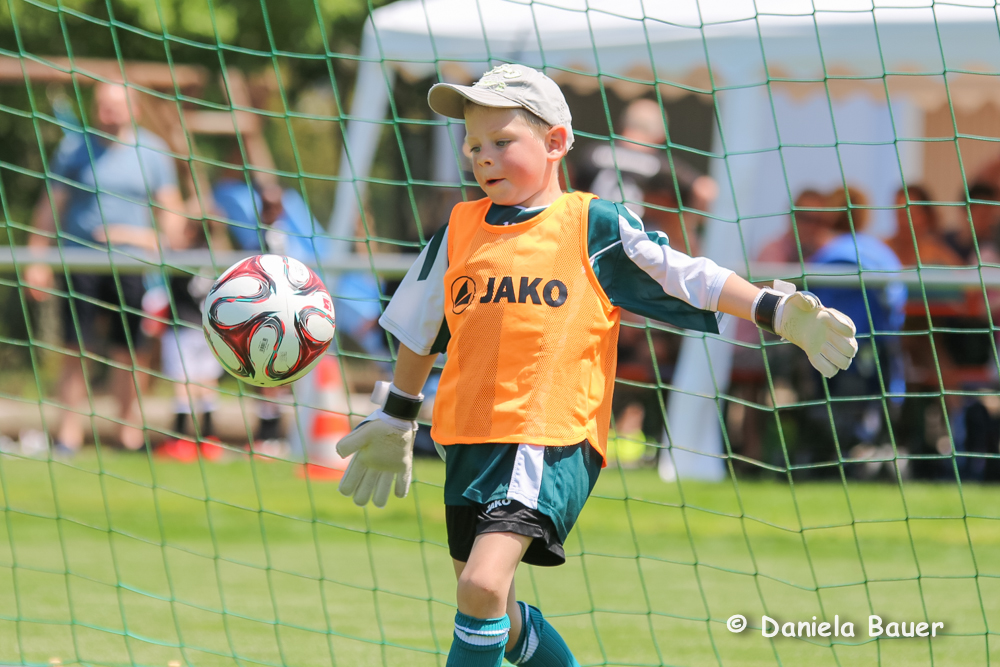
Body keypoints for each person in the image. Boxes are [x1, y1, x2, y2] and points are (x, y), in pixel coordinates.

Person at [333, 64, 858, 666]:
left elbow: (688, 276)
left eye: (502, 141)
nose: (484, 157)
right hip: (467, 437)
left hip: (546, 436)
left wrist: (775, 310)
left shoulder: (592, 225)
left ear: (556, 142)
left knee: (480, 586)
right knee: (493, 610)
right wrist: (398, 416)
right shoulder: (458, 229)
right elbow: (419, 329)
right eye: (474, 145)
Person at [25, 81, 186, 454]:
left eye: (116, 105)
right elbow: (50, 205)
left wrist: (152, 240)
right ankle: (68, 436)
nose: (108, 111)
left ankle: (128, 434)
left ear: (134, 109)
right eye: (102, 104)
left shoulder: (153, 152)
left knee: (130, 352)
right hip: (80, 261)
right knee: (76, 347)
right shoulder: (73, 149)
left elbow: (172, 213)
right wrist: (37, 258)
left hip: (132, 267)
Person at [807, 187, 906, 456]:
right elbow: (897, 307)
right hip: (875, 355)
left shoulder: (823, 255)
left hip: (825, 352)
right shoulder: (881, 254)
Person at [890, 185, 962, 267]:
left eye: (911, 215)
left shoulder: (941, 257)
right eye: (900, 214)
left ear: (927, 217)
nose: (904, 222)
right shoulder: (883, 250)